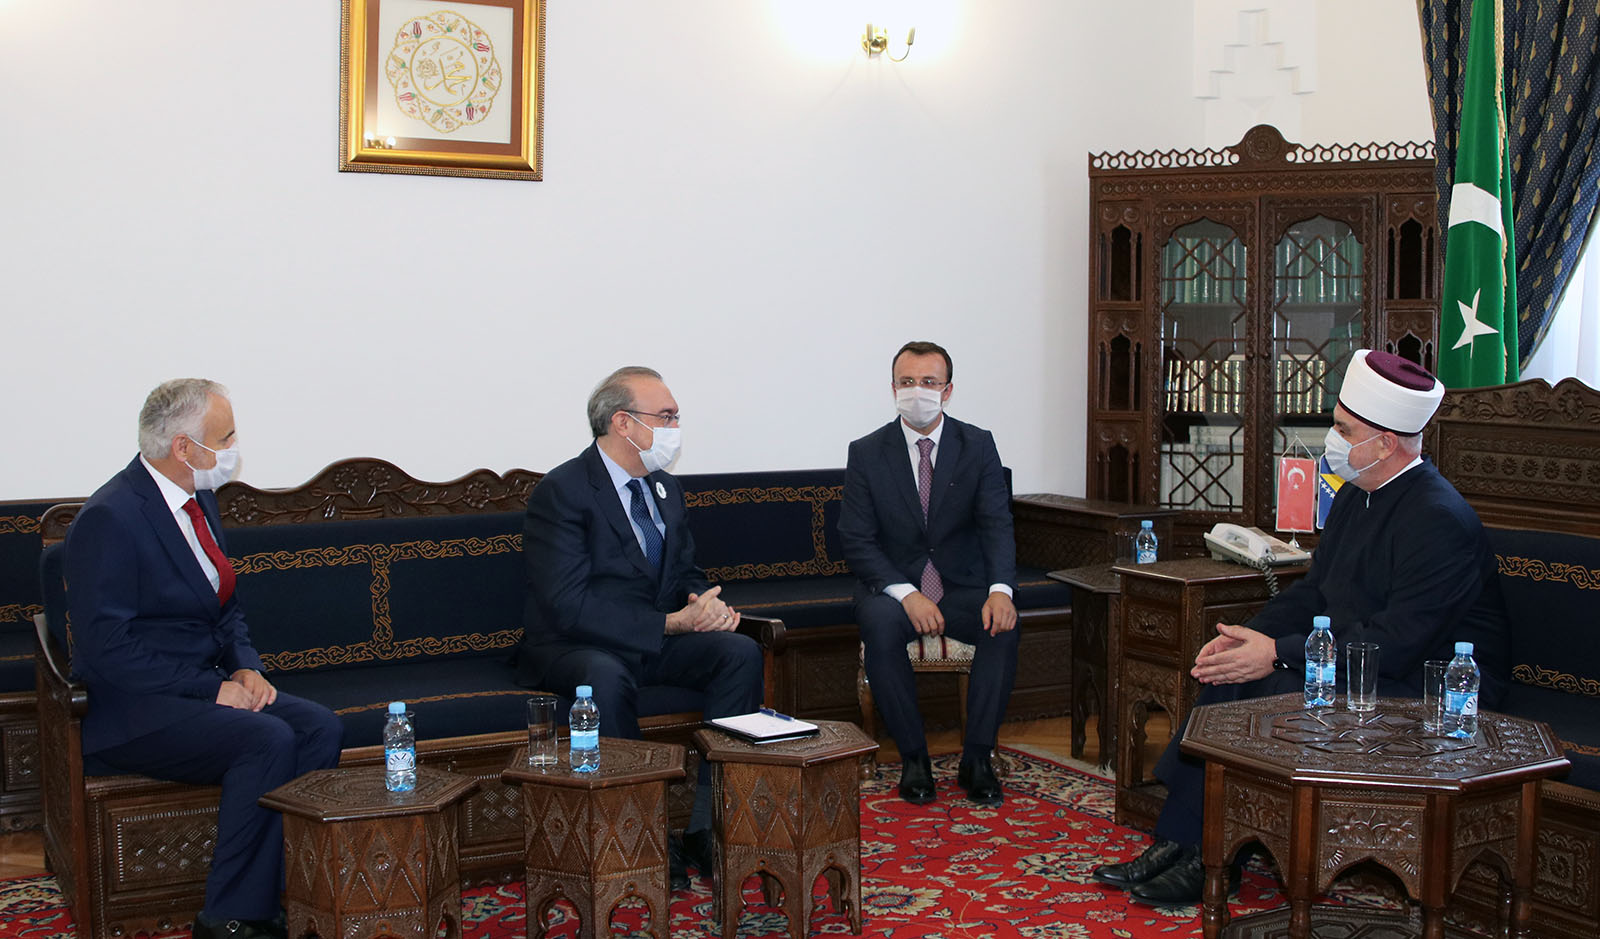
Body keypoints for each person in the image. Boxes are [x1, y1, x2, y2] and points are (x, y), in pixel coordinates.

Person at [1091, 350, 1511, 905]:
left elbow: (1397, 642)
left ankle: (1211, 856)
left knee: (1269, 684)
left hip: (1435, 686)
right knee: (1230, 672)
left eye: (1344, 430)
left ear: (1385, 443)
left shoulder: (1438, 518)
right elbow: (1315, 593)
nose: (1332, 440)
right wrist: (1249, 638)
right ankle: (1185, 842)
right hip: (1359, 658)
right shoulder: (1359, 494)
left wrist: (1278, 654)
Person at [64, 379, 344, 939]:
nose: (234, 447)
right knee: (266, 739)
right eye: (225, 437)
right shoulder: (111, 517)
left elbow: (225, 605)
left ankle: (287, 890)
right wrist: (212, 690)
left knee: (320, 728)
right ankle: (228, 916)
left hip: (203, 684)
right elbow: (106, 646)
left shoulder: (198, 500)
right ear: (183, 447)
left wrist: (245, 666)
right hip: (135, 707)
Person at [516, 366, 763, 890]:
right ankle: (643, 830)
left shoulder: (665, 489)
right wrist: (670, 623)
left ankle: (707, 825)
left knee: (738, 652)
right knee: (604, 677)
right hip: (575, 644)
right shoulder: (563, 490)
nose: (675, 427)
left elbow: (685, 571)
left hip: (653, 638)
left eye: (676, 416)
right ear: (623, 423)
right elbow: (566, 604)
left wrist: (704, 605)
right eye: (666, 417)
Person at [839, 341, 1020, 806]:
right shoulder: (867, 452)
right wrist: (906, 594)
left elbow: (996, 524)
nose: (916, 391)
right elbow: (857, 539)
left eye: (928, 382)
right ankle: (914, 759)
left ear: (948, 390)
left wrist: (1001, 590)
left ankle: (977, 758)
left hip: (960, 585)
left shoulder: (977, 445)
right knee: (879, 623)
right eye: (907, 381)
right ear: (892, 388)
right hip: (893, 588)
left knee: (1002, 625)